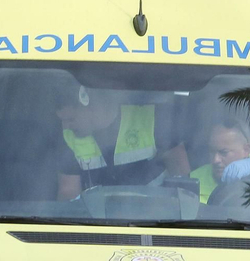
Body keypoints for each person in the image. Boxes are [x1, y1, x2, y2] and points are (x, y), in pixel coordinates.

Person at [51, 85, 189, 202]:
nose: (65, 127)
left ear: (90, 104)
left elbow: (182, 179)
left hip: (156, 219)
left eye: (71, 119)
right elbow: (68, 193)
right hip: (98, 227)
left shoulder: (151, 118)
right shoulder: (68, 137)